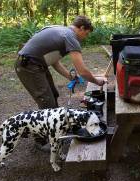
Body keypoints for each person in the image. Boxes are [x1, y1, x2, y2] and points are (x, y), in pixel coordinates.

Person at [15, 16, 105, 150]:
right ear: (81, 28)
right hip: (28, 66)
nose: (85, 37)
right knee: (47, 102)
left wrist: (70, 76)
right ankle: (41, 140)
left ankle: (56, 129)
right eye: (86, 34)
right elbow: (82, 71)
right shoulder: (71, 37)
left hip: (37, 65)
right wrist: (98, 81)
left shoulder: (61, 31)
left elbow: (54, 61)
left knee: (53, 95)